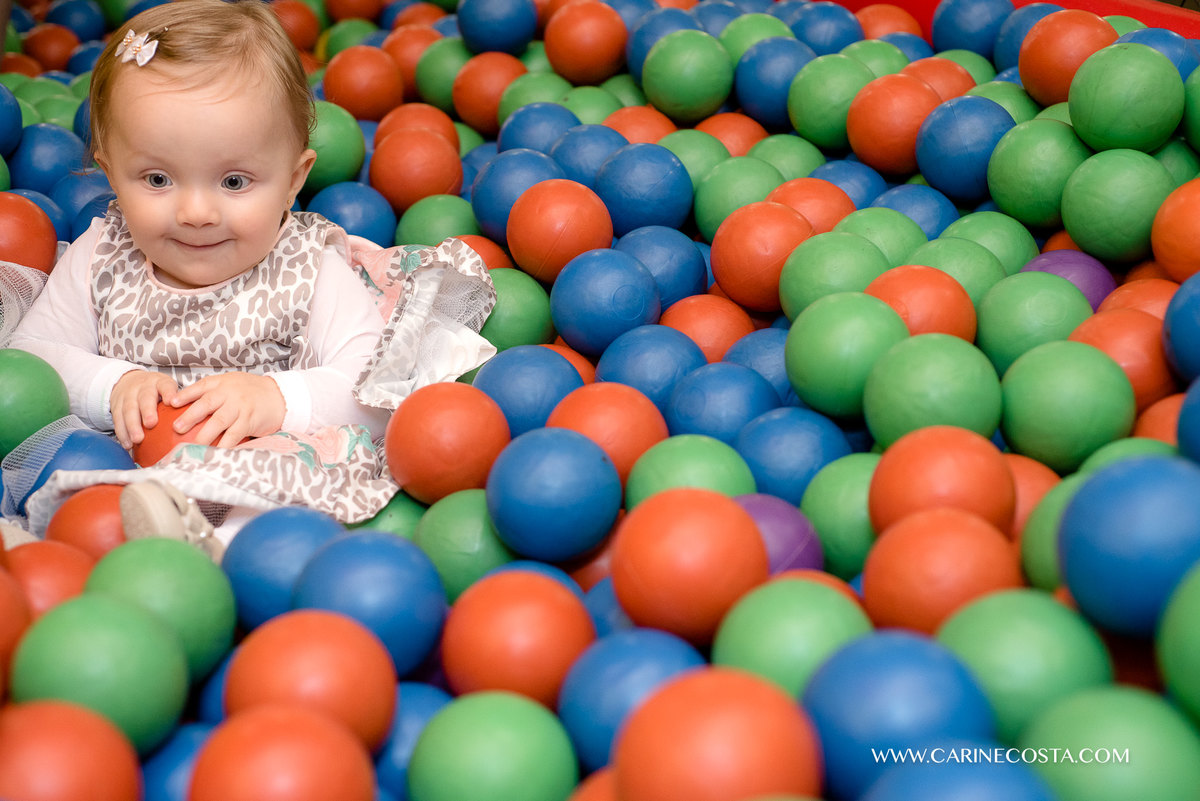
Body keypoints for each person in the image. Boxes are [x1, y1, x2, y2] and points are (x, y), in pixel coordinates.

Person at [8, 0, 496, 555]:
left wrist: (276, 398)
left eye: (235, 181)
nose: (196, 211)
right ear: (109, 169)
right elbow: (32, 358)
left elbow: (369, 386)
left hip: (257, 464)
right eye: (158, 178)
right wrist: (112, 385)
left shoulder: (306, 268)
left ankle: (223, 545)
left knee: (292, 474)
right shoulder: (102, 254)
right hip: (116, 457)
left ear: (292, 181)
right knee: (53, 456)